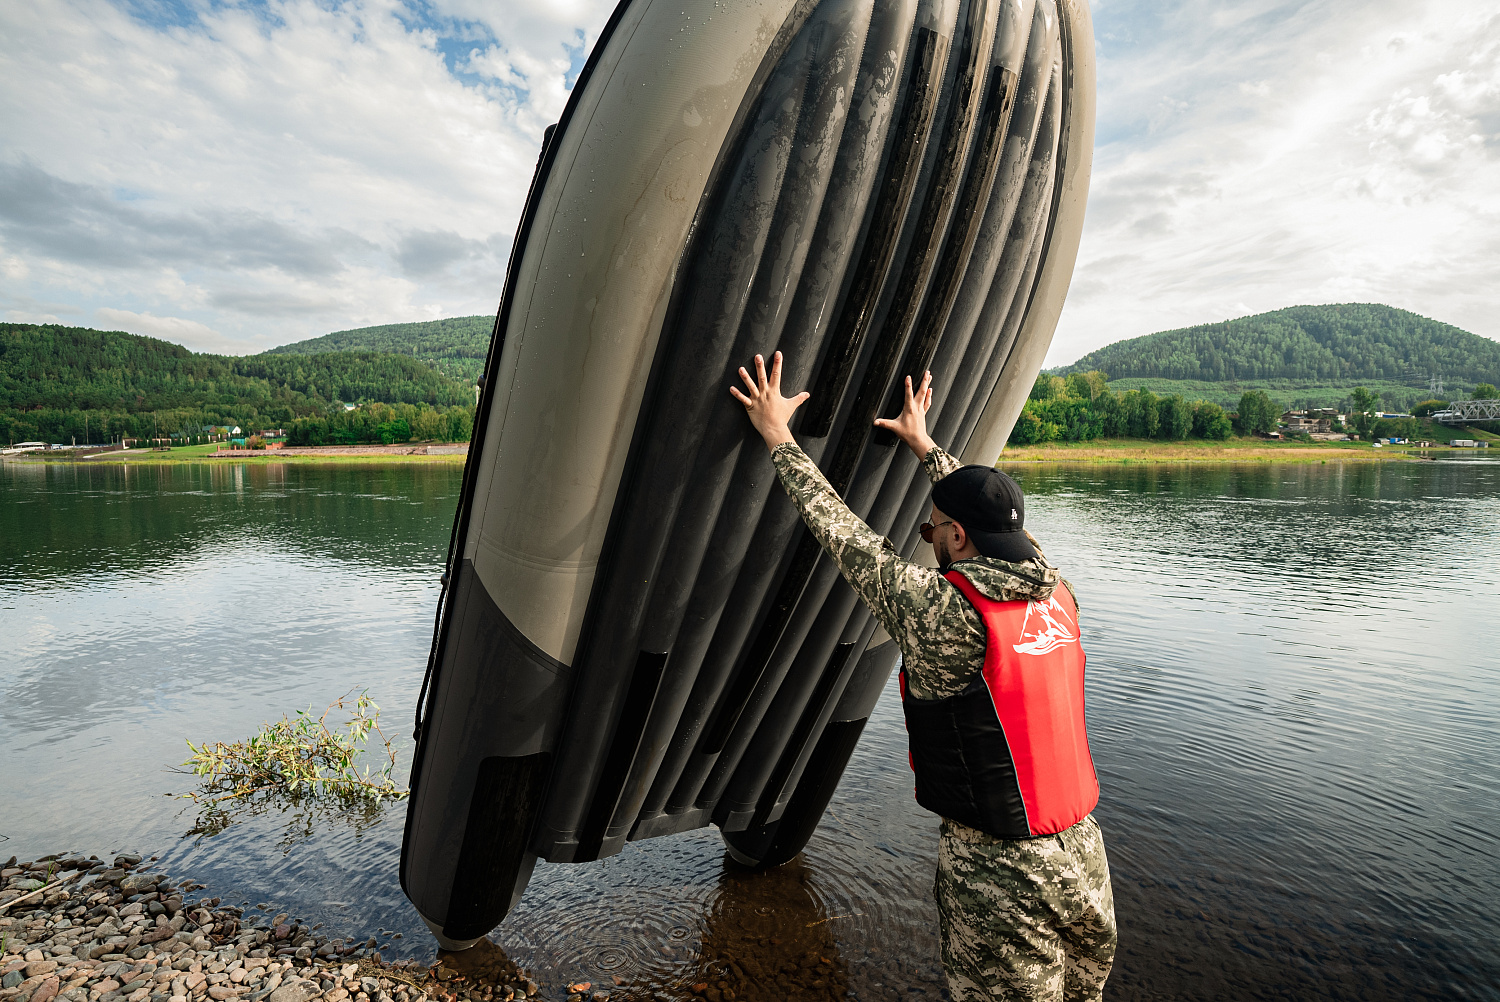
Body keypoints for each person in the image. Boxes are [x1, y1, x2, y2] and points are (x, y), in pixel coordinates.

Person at [730, 352, 1116, 1001]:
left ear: (956, 537)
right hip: (1084, 856)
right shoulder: (1057, 588)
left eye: (931, 528)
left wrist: (776, 435)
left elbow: (843, 534)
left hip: (1000, 870)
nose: (927, 535)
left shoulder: (943, 611)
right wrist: (924, 443)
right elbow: (991, 517)